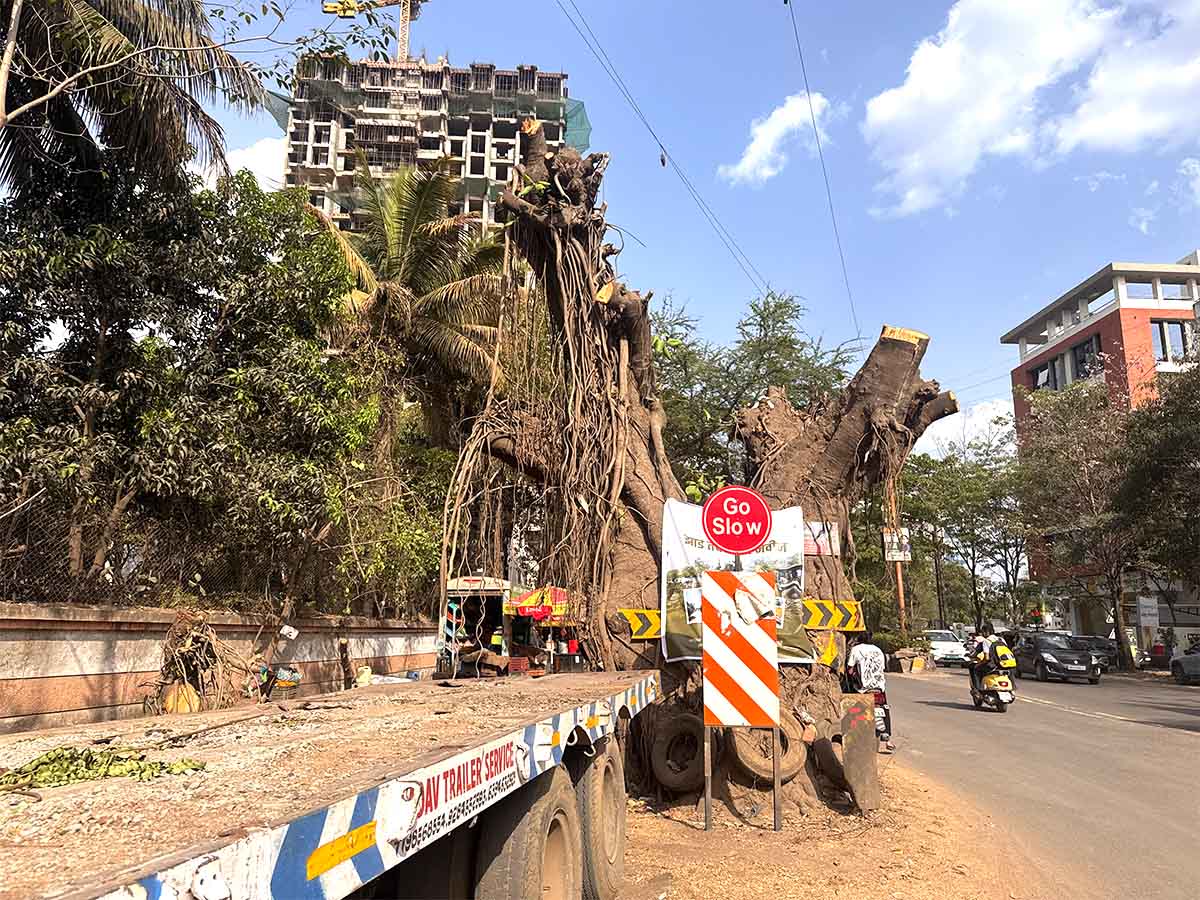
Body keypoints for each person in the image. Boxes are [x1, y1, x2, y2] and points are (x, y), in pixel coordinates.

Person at [847, 631, 894, 752]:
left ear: (858, 638)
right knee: (885, 708)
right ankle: (887, 737)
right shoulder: (878, 650)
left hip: (863, 688)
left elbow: (850, 669)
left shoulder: (856, 649)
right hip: (879, 687)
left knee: (853, 708)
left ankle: (854, 736)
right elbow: (883, 668)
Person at [965, 623, 998, 692]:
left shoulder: (986, 641)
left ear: (986, 632)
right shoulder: (1000, 639)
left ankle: (977, 690)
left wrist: (980, 663)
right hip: (1001, 665)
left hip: (992, 665)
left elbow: (987, 658)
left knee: (975, 669)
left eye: (983, 632)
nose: (982, 634)